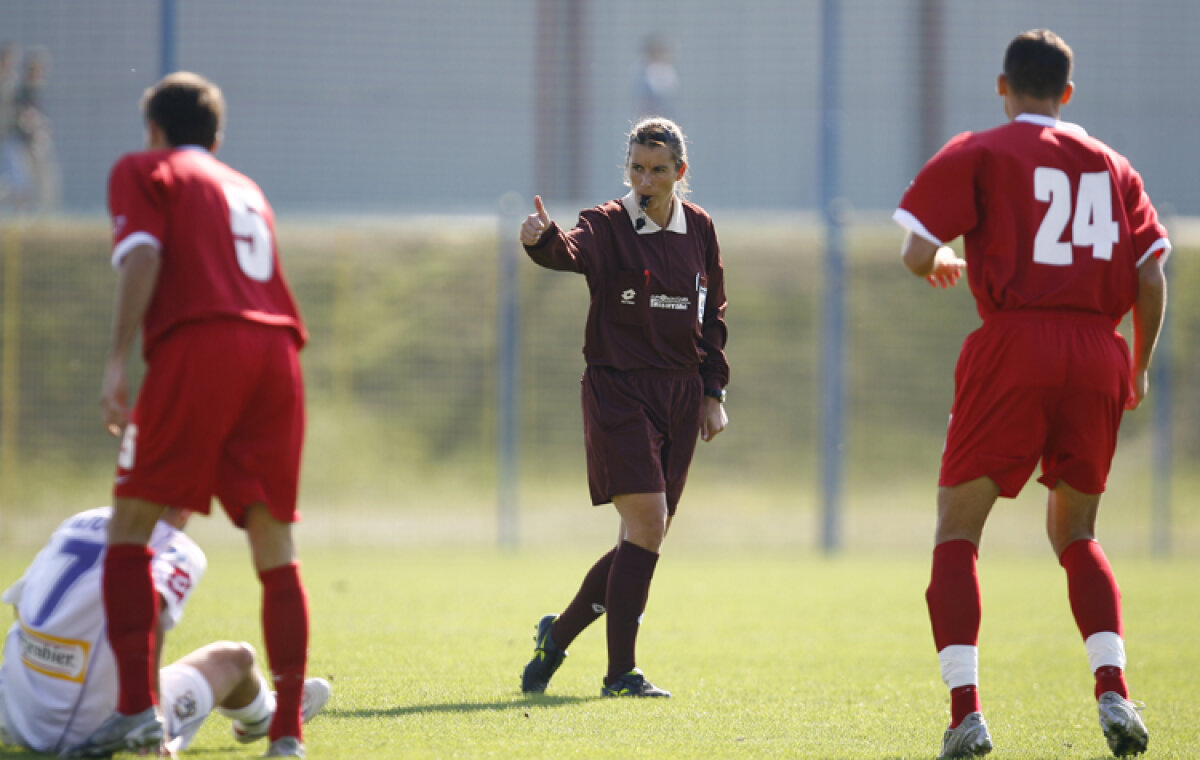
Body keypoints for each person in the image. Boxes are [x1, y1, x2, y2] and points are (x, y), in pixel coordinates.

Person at [893, 29, 1169, 759]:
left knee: (958, 531)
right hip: (1096, 351)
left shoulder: (982, 151)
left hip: (1016, 345)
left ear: (1002, 86)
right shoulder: (1114, 166)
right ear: (1068, 93)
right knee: (1076, 534)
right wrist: (1136, 365)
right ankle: (1114, 690)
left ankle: (966, 713)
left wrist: (942, 260)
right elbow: (1150, 276)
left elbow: (916, 251)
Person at [72, 72, 313, 758]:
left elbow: (143, 255)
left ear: (153, 130)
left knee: (129, 527)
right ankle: (288, 731)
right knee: (275, 543)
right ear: (217, 136)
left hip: (201, 343)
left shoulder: (144, 167)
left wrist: (118, 361)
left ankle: (136, 710)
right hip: (277, 352)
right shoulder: (246, 187)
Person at [518, 117, 729, 698]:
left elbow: (712, 316)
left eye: (658, 169)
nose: (645, 179)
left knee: (643, 539)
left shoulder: (701, 230)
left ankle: (555, 638)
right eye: (637, 167)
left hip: (681, 396)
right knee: (647, 525)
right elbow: (570, 251)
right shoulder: (608, 223)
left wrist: (713, 392)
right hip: (619, 390)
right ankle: (620, 675)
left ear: (679, 173)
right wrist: (542, 238)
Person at [0, 506, 331, 757]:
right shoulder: (175, 546)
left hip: (15, 709)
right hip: (93, 726)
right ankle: (268, 715)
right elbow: (149, 615)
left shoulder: (79, 520)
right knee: (238, 660)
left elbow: (20, 606)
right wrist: (149, 718)